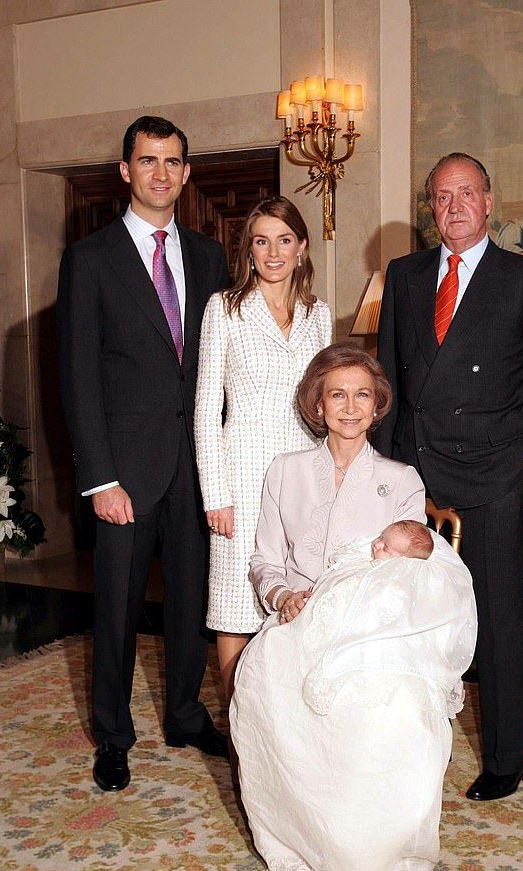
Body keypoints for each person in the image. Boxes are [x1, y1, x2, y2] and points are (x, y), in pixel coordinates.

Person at [229, 344, 476, 871]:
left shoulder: (402, 479)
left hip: (372, 631)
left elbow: (417, 575)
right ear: (317, 404)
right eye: (336, 394)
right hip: (299, 622)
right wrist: (282, 594)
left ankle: (370, 849)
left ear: (377, 406)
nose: (349, 406)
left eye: (361, 395)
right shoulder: (285, 470)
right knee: (270, 686)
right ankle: (307, 838)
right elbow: (265, 558)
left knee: (386, 707)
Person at [374, 152, 523, 802]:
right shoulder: (402, 277)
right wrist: (386, 468)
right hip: (417, 474)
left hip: (494, 472)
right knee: (412, 618)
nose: (454, 205)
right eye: (441, 196)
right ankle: (404, 744)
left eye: (466, 193)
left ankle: (507, 760)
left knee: (496, 621)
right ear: (430, 208)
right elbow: (390, 382)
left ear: (489, 203)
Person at [57, 115, 229, 792]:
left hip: (197, 464)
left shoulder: (210, 257)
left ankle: (185, 712)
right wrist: (99, 476)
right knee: (118, 606)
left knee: (192, 598)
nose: (161, 173)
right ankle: (113, 734)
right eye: (147, 161)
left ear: (187, 174)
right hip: (124, 469)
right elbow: (77, 374)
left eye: (173, 162)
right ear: (124, 171)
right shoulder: (90, 259)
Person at [194, 196, 332, 702]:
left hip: (302, 477)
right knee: (236, 606)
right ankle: (238, 737)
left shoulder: (319, 315)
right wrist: (216, 495)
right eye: (261, 241)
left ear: (301, 248)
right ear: (248, 252)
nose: (273, 252)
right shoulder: (224, 309)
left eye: (284, 240)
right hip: (242, 476)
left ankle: (286, 726)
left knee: (298, 600)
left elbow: (327, 404)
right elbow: (207, 408)